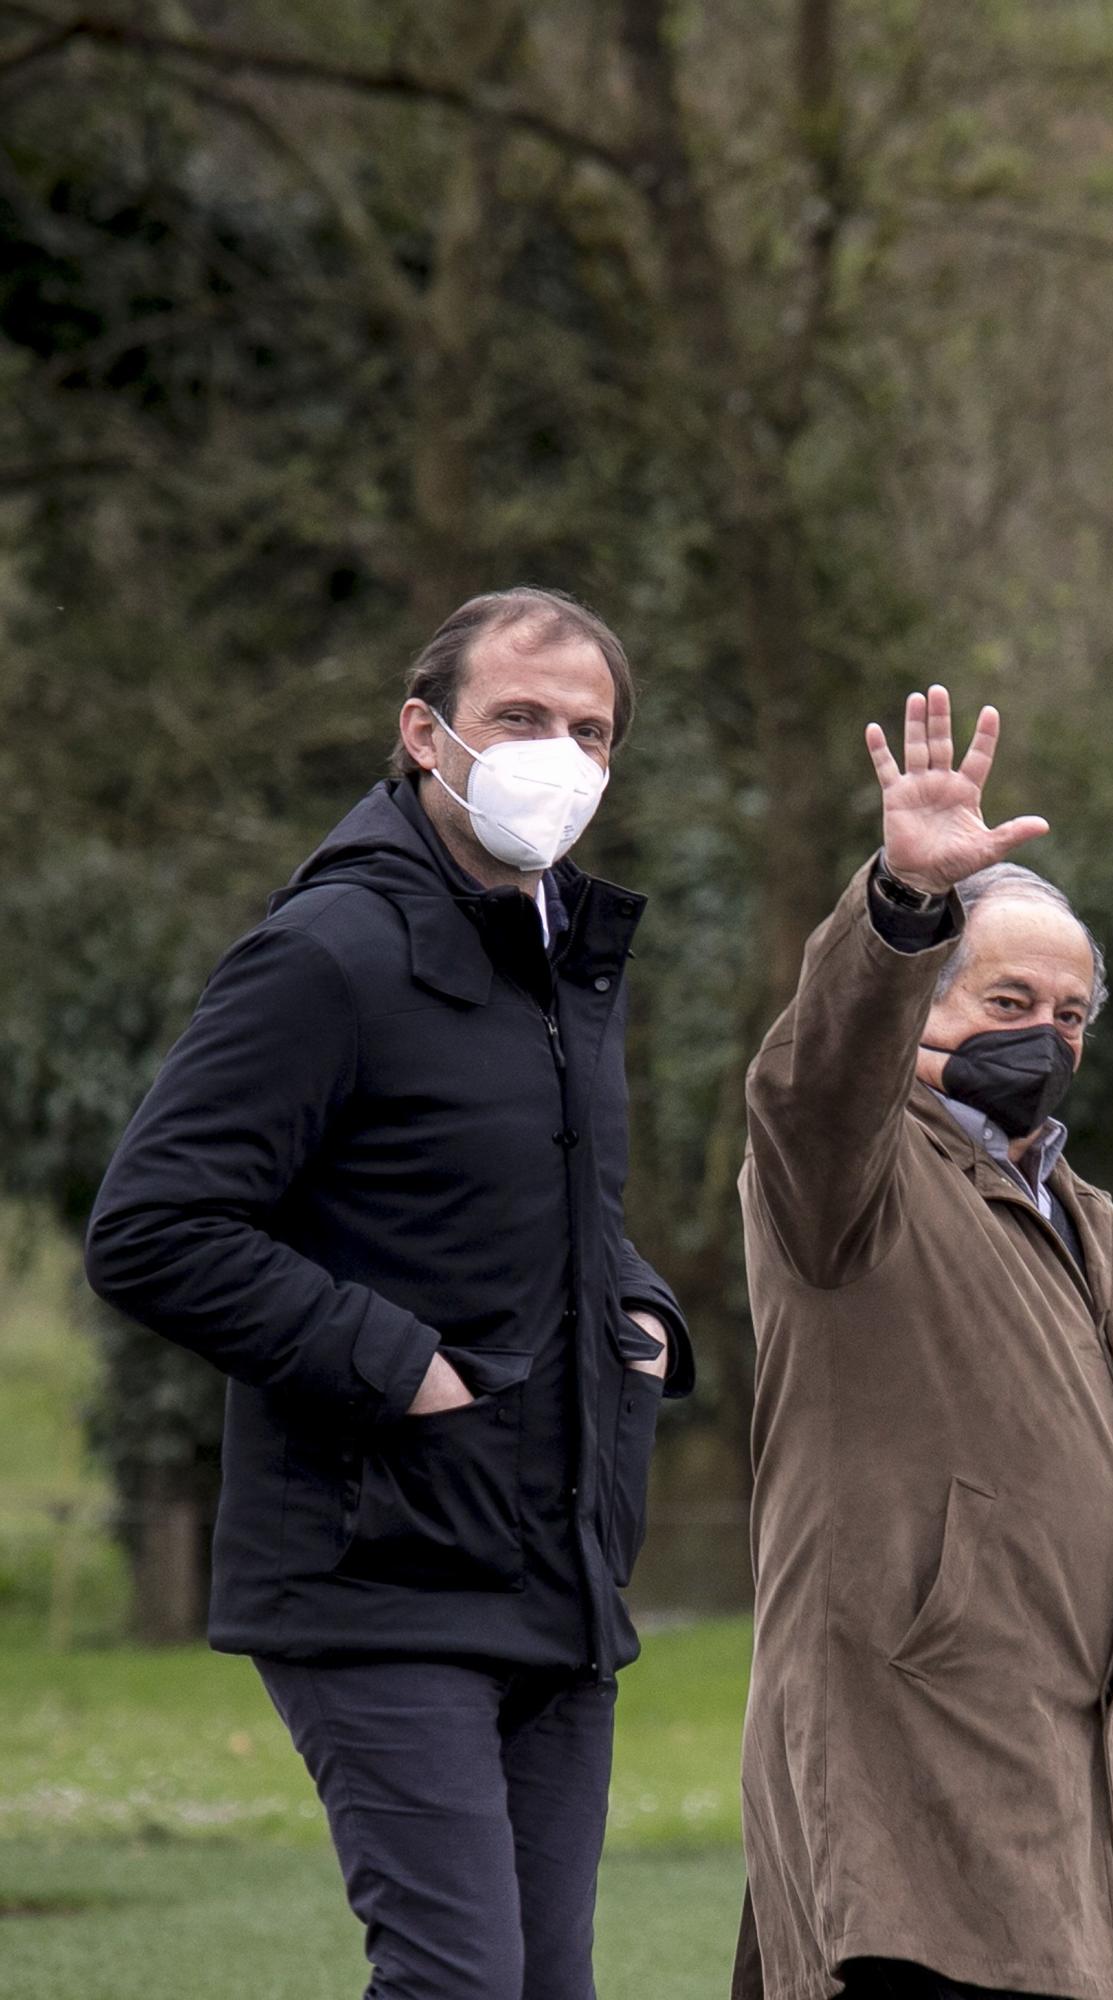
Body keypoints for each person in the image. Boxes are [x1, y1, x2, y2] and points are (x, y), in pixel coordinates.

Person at [85, 586, 692, 2000]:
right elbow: (154, 1225)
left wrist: (643, 1317)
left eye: (589, 730)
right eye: (520, 719)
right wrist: (400, 1368)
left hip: (554, 1570)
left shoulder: (559, 961)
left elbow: (546, 1210)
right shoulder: (330, 952)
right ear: (425, 735)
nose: (560, 754)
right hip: (374, 1569)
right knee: (457, 1984)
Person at [732, 686, 1113, 2000]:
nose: (1043, 1034)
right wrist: (900, 913)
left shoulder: (1077, 1215)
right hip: (911, 1748)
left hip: (1055, 1763)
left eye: (1070, 1012)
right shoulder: (852, 1177)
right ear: (920, 999)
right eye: (1005, 998)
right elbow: (815, 1085)